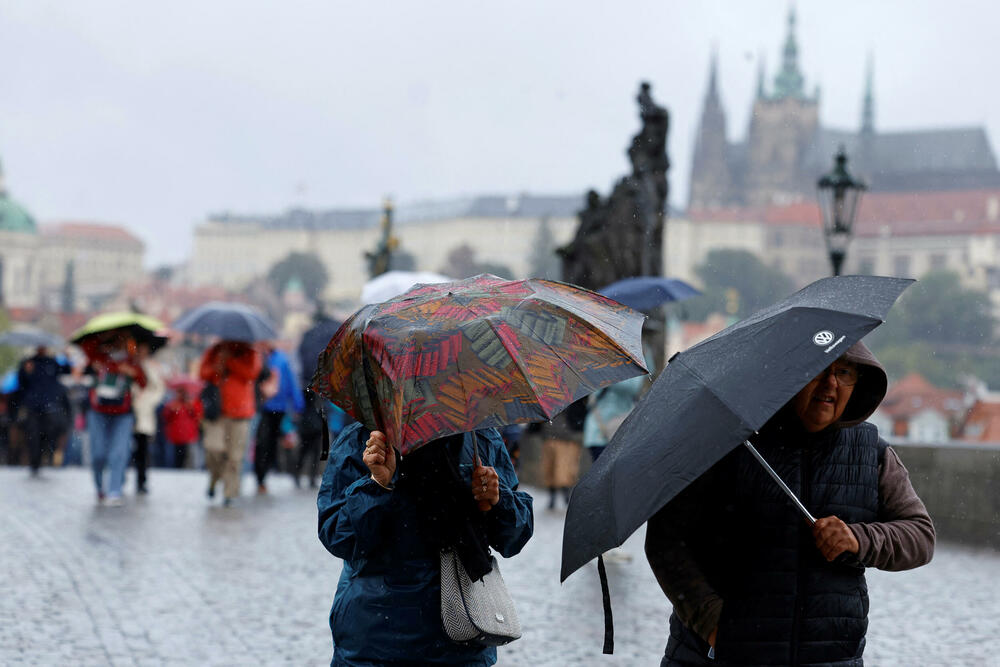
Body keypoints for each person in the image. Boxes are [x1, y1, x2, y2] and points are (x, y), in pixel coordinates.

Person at [644, 342, 935, 666]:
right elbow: (666, 541)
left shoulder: (872, 454)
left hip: (829, 656)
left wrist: (859, 539)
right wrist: (712, 622)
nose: (830, 384)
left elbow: (920, 535)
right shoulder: (728, 443)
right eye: (819, 370)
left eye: (844, 373)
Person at [318, 423, 533, 665]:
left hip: (460, 635)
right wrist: (377, 484)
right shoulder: (364, 440)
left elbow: (513, 537)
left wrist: (497, 499)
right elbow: (338, 536)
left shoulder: (479, 437)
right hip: (377, 640)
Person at [80, 333, 147, 505]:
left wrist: (132, 371)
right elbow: (84, 360)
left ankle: (114, 490)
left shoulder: (131, 361)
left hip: (123, 413)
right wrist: (102, 341)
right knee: (98, 453)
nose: (120, 343)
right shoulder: (98, 356)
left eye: (123, 340)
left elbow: (143, 382)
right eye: (117, 339)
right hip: (98, 411)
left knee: (119, 452)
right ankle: (99, 486)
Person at [199, 341, 262, 505]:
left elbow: (251, 374)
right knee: (213, 448)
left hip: (240, 412)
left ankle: (229, 493)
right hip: (216, 411)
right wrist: (217, 365)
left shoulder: (250, 352)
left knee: (235, 456)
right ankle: (215, 477)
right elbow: (203, 373)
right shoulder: (214, 350)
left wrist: (230, 361)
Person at [254, 343, 304, 494]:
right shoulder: (258, 359)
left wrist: (297, 405)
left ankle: (271, 473)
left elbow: (291, 383)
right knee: (262, 443)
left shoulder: (281, 359)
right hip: (262, 408)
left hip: (279, 409)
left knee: (274, 443)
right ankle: (261, 476)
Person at [15, 346, 71, 476]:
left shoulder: (52, 362)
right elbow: (21, 383)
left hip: (49, 406)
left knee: (47, 433)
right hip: (32, 406)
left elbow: (65, 371)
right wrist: (26, 371)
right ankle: (34, 463)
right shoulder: (28, 362)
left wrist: (67, 359)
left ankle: (41, 457)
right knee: (33, 434)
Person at [538, 397, 586, 510]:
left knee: (564, 471)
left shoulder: (574, 395)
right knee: (549, 469)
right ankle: (554, 497)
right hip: (549, 435)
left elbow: (579, 411)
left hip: (567, 437)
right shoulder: (546, 395)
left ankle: (565, 496)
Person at [130, 340, 165, 493]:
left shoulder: (151, 367)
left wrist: (147, 401)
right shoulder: (130, 365)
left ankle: (141, 480)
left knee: (142, 449)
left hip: (144, 412)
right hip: (129, 410)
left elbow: (158, 389)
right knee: (127, 448)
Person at [163, 385, 204, 469]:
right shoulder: (173, 404)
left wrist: (191, 407)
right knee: (176, 458)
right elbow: (165, 417)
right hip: (176, 435)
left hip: (189, 435)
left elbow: (198, 416)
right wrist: (171, 410)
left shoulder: (193, 403)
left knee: (189, 458)